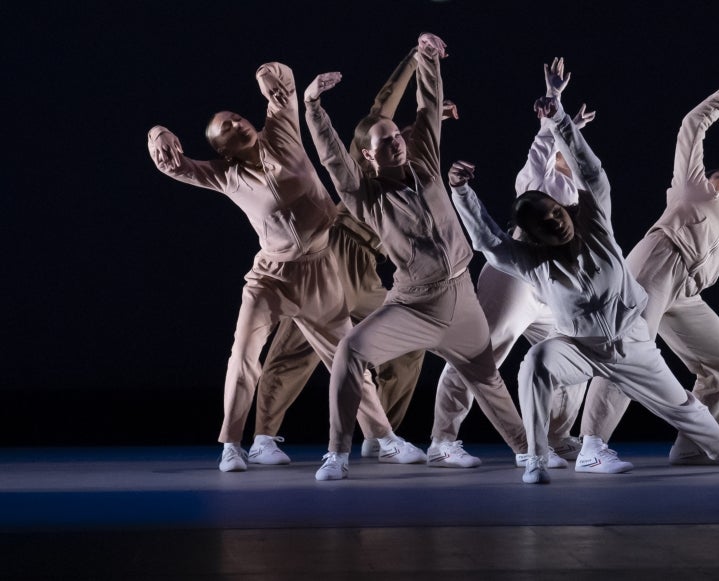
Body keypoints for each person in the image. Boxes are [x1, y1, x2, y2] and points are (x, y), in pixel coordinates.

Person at [447, 59, 719, 484]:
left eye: (556, 212)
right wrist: (462, 192)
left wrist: (561, 117)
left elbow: (592, 173)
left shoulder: (596, 225)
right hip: (588, 341)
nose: (555, 220)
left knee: (682, 403)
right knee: (535, 362)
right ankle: (540, 456)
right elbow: (490, 242)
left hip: (631, 338)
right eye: (544, 223)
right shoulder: (533, 260)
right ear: (532, 236)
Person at [147, 62, 422, 472]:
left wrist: (263, 76)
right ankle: (233, 446)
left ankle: (384, 438)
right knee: (244, 356)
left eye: (237, 119)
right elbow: (174, 166)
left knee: (348, 358)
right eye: (227, 130)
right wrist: (158, 136)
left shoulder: (281, 132)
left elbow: (282, 81)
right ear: (223, 150)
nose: (238, 125)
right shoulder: (224, 175)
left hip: (319, 271)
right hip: (271, 277)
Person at [303, 33, 544, 481]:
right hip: (413, 304)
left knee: (486, 377)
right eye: (384, 143)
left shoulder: (425, 163)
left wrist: (428, 57)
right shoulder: (365, 195)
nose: (395, 143)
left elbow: (427, 108)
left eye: (395, 135)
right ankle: (337, 453)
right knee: (351, 350)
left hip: (461, 297)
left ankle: (528, 454)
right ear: (369, 158)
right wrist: (313, 107)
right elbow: (333, 158)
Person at [579, 67, 719, 469]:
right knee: (630, 349)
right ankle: (591, 447)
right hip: (656, 266)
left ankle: (693, 446)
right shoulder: (693, 189)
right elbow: (692, 125)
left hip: (686, 293)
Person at [248, 49, 456, 466]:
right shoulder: (358, 168)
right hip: (334, 254)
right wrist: (413, 60)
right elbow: (384, 105)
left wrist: (423, 122)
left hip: (368, 271)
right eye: (390, 136)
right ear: (366, 149)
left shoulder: (406, 166)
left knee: (409, 343)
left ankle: (380, 435)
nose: (397, 140)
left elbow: (414, 133)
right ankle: (263, 437)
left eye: (402, 136)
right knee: (299, 344)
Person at [432, 60, 596, 463]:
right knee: (480, 353)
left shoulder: (577, 188)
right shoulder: (535, 179)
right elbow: (542, 149)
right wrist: (554, 104)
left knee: (574, 353)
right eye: (565, 147)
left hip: (553, 282)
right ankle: (442, 441)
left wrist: (566, 128)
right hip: (516, 275)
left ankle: (556, 436)